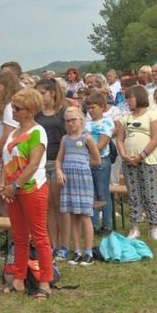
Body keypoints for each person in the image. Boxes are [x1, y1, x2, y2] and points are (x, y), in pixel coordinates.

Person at [0, 89, 52, 301]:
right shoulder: (13, 133)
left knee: (39, 237)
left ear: (30, 111)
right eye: (13, 107)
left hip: (32, 189)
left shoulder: (38, 132)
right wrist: (3, 184)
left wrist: (15, 186)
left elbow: (33, 164)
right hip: (13, 191)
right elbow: (7, 159)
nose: (13, 111)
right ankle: (18, 279)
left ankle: (45, 283)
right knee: (18, 237)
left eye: (18, 108)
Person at [116, 85, 157, 240]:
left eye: (130, 97)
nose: (127, 101)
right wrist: (123, 155)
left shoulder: (153, 115)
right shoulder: (125, 118)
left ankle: (154, 226)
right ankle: (134, 227)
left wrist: (141, 156)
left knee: (150, 193)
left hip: (148, 160)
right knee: (134, 194)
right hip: (129, 161)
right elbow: (120, 139)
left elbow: (156, 138)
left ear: (139, 97)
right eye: (126, 98)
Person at [56, 106, 101, 266]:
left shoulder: (86, 138)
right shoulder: (65, 139)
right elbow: (59, 159)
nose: (70, 123)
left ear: (81, 119)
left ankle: (88, 251)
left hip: (82, 180)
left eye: (73, 120)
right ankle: (77, 250)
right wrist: (59, 171)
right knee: (73, 216)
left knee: (84, 215)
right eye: (67, 121)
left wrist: (83, 164)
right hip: (68, 181)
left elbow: (97, 160)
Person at [34, 78, 71, 259]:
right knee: (47, 206)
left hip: (58, 161)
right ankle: (52, 244)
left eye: (43, 93)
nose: (40, 97)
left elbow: (69, 137)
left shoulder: (63, 112)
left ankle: (64, 245)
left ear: (53, 93)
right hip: (40, 163)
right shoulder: (37, 114)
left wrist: (61, 164)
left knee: (60, 205)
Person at [0, 71, 21, 218]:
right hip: (0, 150)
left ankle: (9, 228)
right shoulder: (5, 105)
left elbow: (7, 135)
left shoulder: (9, 107)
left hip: (3, 153)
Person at [84, 92, 115, 234]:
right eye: (88, 108)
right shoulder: (86, 124)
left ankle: (107, 224)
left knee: (103, 193)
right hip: (87, 161)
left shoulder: (107, 122)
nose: (90, 111)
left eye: (93, 107)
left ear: (102, 107)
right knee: (92, 194)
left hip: (101, 161)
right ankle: (94, 225)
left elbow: (102, 144)